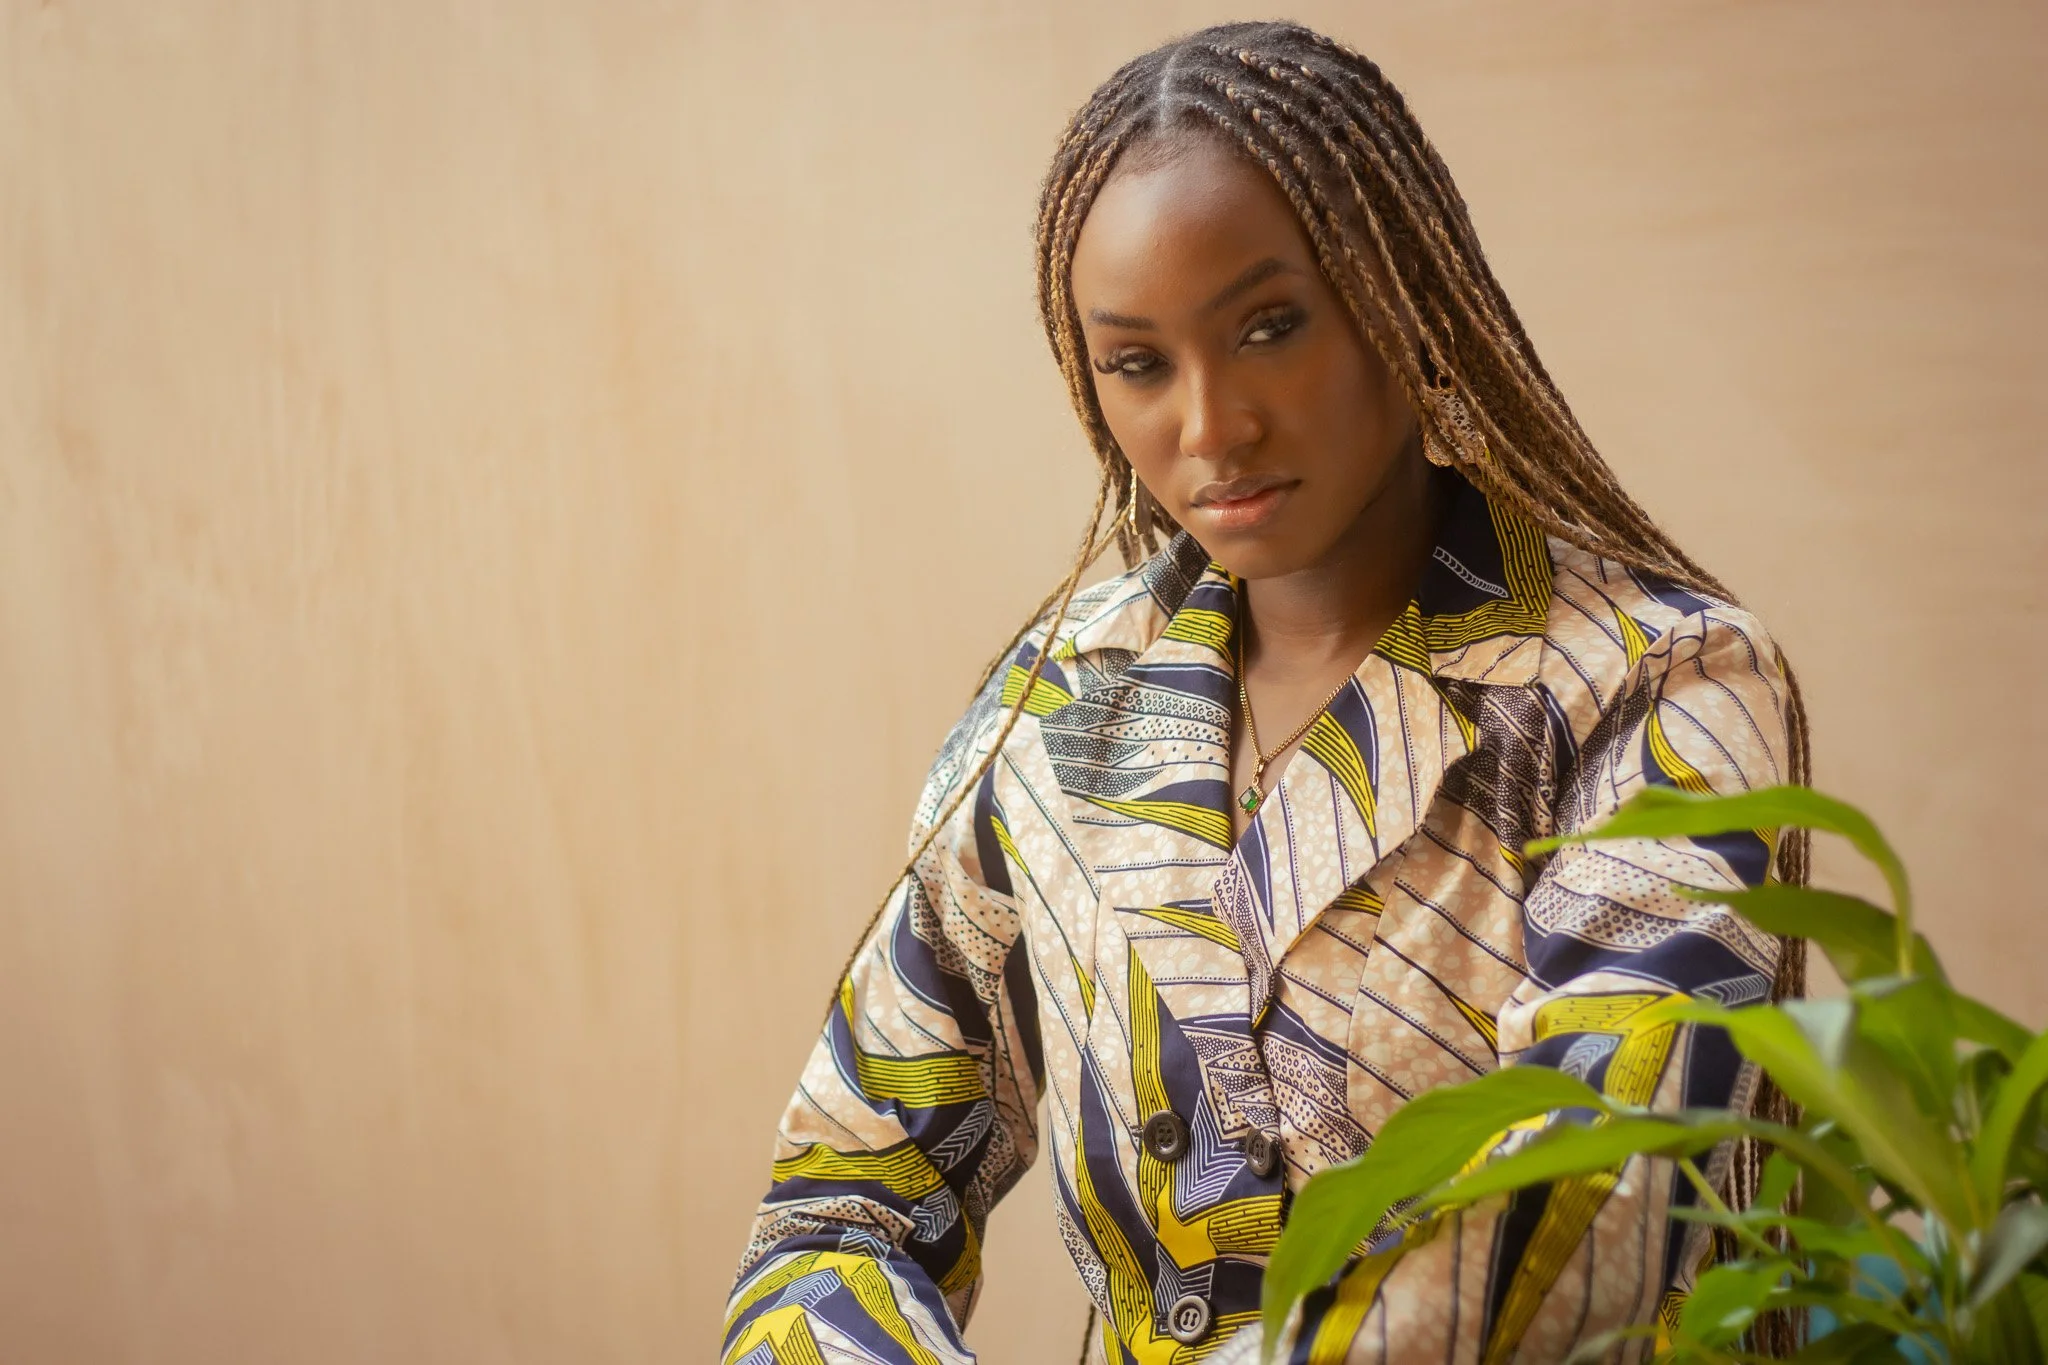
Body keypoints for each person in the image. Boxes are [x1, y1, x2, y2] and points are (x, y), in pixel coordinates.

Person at [721, 20, 1809, 1365]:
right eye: (1139, 364)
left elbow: (1609, 1192)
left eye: (1270, 327)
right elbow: (840, 1215)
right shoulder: (1060, 711)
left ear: (1402, 297)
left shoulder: (1658, 683)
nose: (1211, 426)